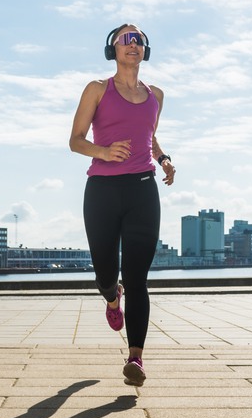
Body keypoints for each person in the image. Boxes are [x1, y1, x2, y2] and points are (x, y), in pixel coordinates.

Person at [69, 23, 176, 387]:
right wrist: (104, 152)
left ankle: (136, 358)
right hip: (102, 190)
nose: (133, 44)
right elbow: (75, 140)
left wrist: (163, 160)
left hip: (143, 190)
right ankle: (111, 299)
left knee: (137, 277)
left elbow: (150, 137)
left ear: (146, 49)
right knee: (105, 271)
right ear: (112, 48)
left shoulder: (156, 95)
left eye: (139, 39)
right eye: (126, 39)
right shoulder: (97, 89)